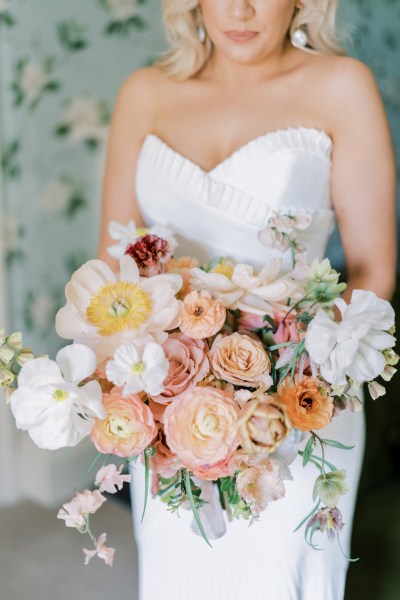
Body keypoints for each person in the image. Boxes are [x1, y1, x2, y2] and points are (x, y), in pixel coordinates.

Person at [97, 1, 397, 598]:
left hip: (300, 399)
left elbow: (374, 269)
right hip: (168, 400)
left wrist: (282, 377)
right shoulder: (145, 93)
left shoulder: (340, 86)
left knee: (284, 576)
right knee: (179, 575)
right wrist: (135, 387)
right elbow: (115, 272)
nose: (240, 10)